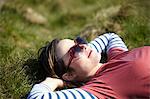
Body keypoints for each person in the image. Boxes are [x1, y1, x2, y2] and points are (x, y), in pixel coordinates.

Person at [27, 32, 150, 99]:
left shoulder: (117, 55)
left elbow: (110, 37)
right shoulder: (100, 89)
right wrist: (53, 82)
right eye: (74, 51)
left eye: (78, 42)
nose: (84, 46)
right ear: (69, 75)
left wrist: (87, 52)